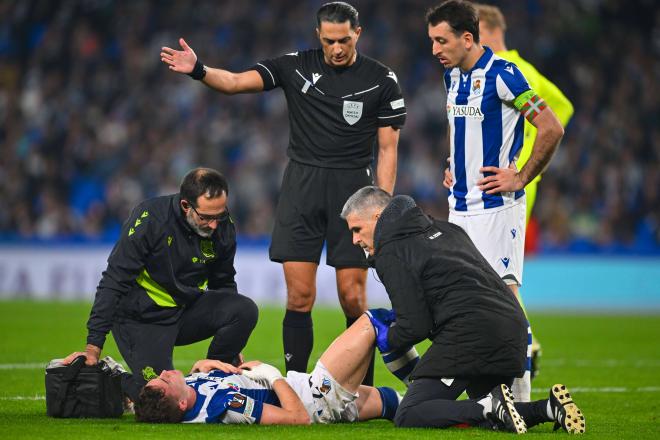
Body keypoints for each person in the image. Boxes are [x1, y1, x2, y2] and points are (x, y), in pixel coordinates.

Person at [160, 2, 406, 385]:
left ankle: (361, 390)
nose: (337, 48)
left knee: (353, 299)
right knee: (299, 297)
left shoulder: (381, 79)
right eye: (329, 41)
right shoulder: (296, 66)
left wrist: (382, 208)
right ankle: (296, 384)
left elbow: (388, 149)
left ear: (358, 33)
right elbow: (237, 83)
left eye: (344, 40)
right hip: (302, 189)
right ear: (318, 36)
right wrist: (198, 69)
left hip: (354, 192)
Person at [341, 186, 586, 434]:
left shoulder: (392, 250)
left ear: (377, 217)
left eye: (357, 230)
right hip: (513, 331)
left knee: (409, 413)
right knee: (494, 416)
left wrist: (385, 337)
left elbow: (415, 325)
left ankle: (489, 406)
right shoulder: (446, 229)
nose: (355, 240)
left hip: (471, 334)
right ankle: (548, 409)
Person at [427, 0, 565, 401]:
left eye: (442, 40)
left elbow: (551, 127)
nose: (434, 49)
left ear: (467, 38)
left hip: (497, 210)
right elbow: (462, 129)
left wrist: (521, 176)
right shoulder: (451, 76)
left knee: (505, 301)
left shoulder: (505, 75)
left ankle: (521, 398)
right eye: (432, 40)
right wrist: (453, 166)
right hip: (459, 207)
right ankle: (486, 393)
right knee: (464, 299)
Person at [63, 168, 259, 401]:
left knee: (245, 310)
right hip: (141, 319)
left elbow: (223, 282)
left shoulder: (223, 225)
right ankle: (115, 376)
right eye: (206, 217)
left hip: (184, 310)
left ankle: (213, 380)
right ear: (186, 206)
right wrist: (93, 348)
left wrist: (232, 342)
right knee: (162, 400)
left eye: (220, 214)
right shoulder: (151, 219)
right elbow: (114, 281)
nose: (215, 225)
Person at [133, 313, 404, 425]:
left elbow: (192, 386)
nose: (164, 373)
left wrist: (201, 368)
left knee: (398, 404)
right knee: (374, 321)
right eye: (165, 381)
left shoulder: (189, 391)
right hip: (315, 399)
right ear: (181, 404)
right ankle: (431, 364)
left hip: (305, 386)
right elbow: (298, 419)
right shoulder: (227, 405)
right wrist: (271, 374)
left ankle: (434, 396)